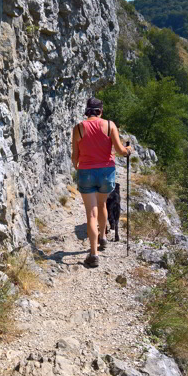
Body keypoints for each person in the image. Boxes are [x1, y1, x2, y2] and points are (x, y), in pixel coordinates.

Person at [71, 97, 132, 267]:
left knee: (91, 213)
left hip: (86, 172)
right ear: (101, 111)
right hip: (106, 172)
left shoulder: (78, 128)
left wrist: (79, 168)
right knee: (103, 205)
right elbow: (120, 151)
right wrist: (129, 150)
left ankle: (93, 254)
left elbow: (74, 156)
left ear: (87, 111)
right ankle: (103, 238)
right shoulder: (110, 125)